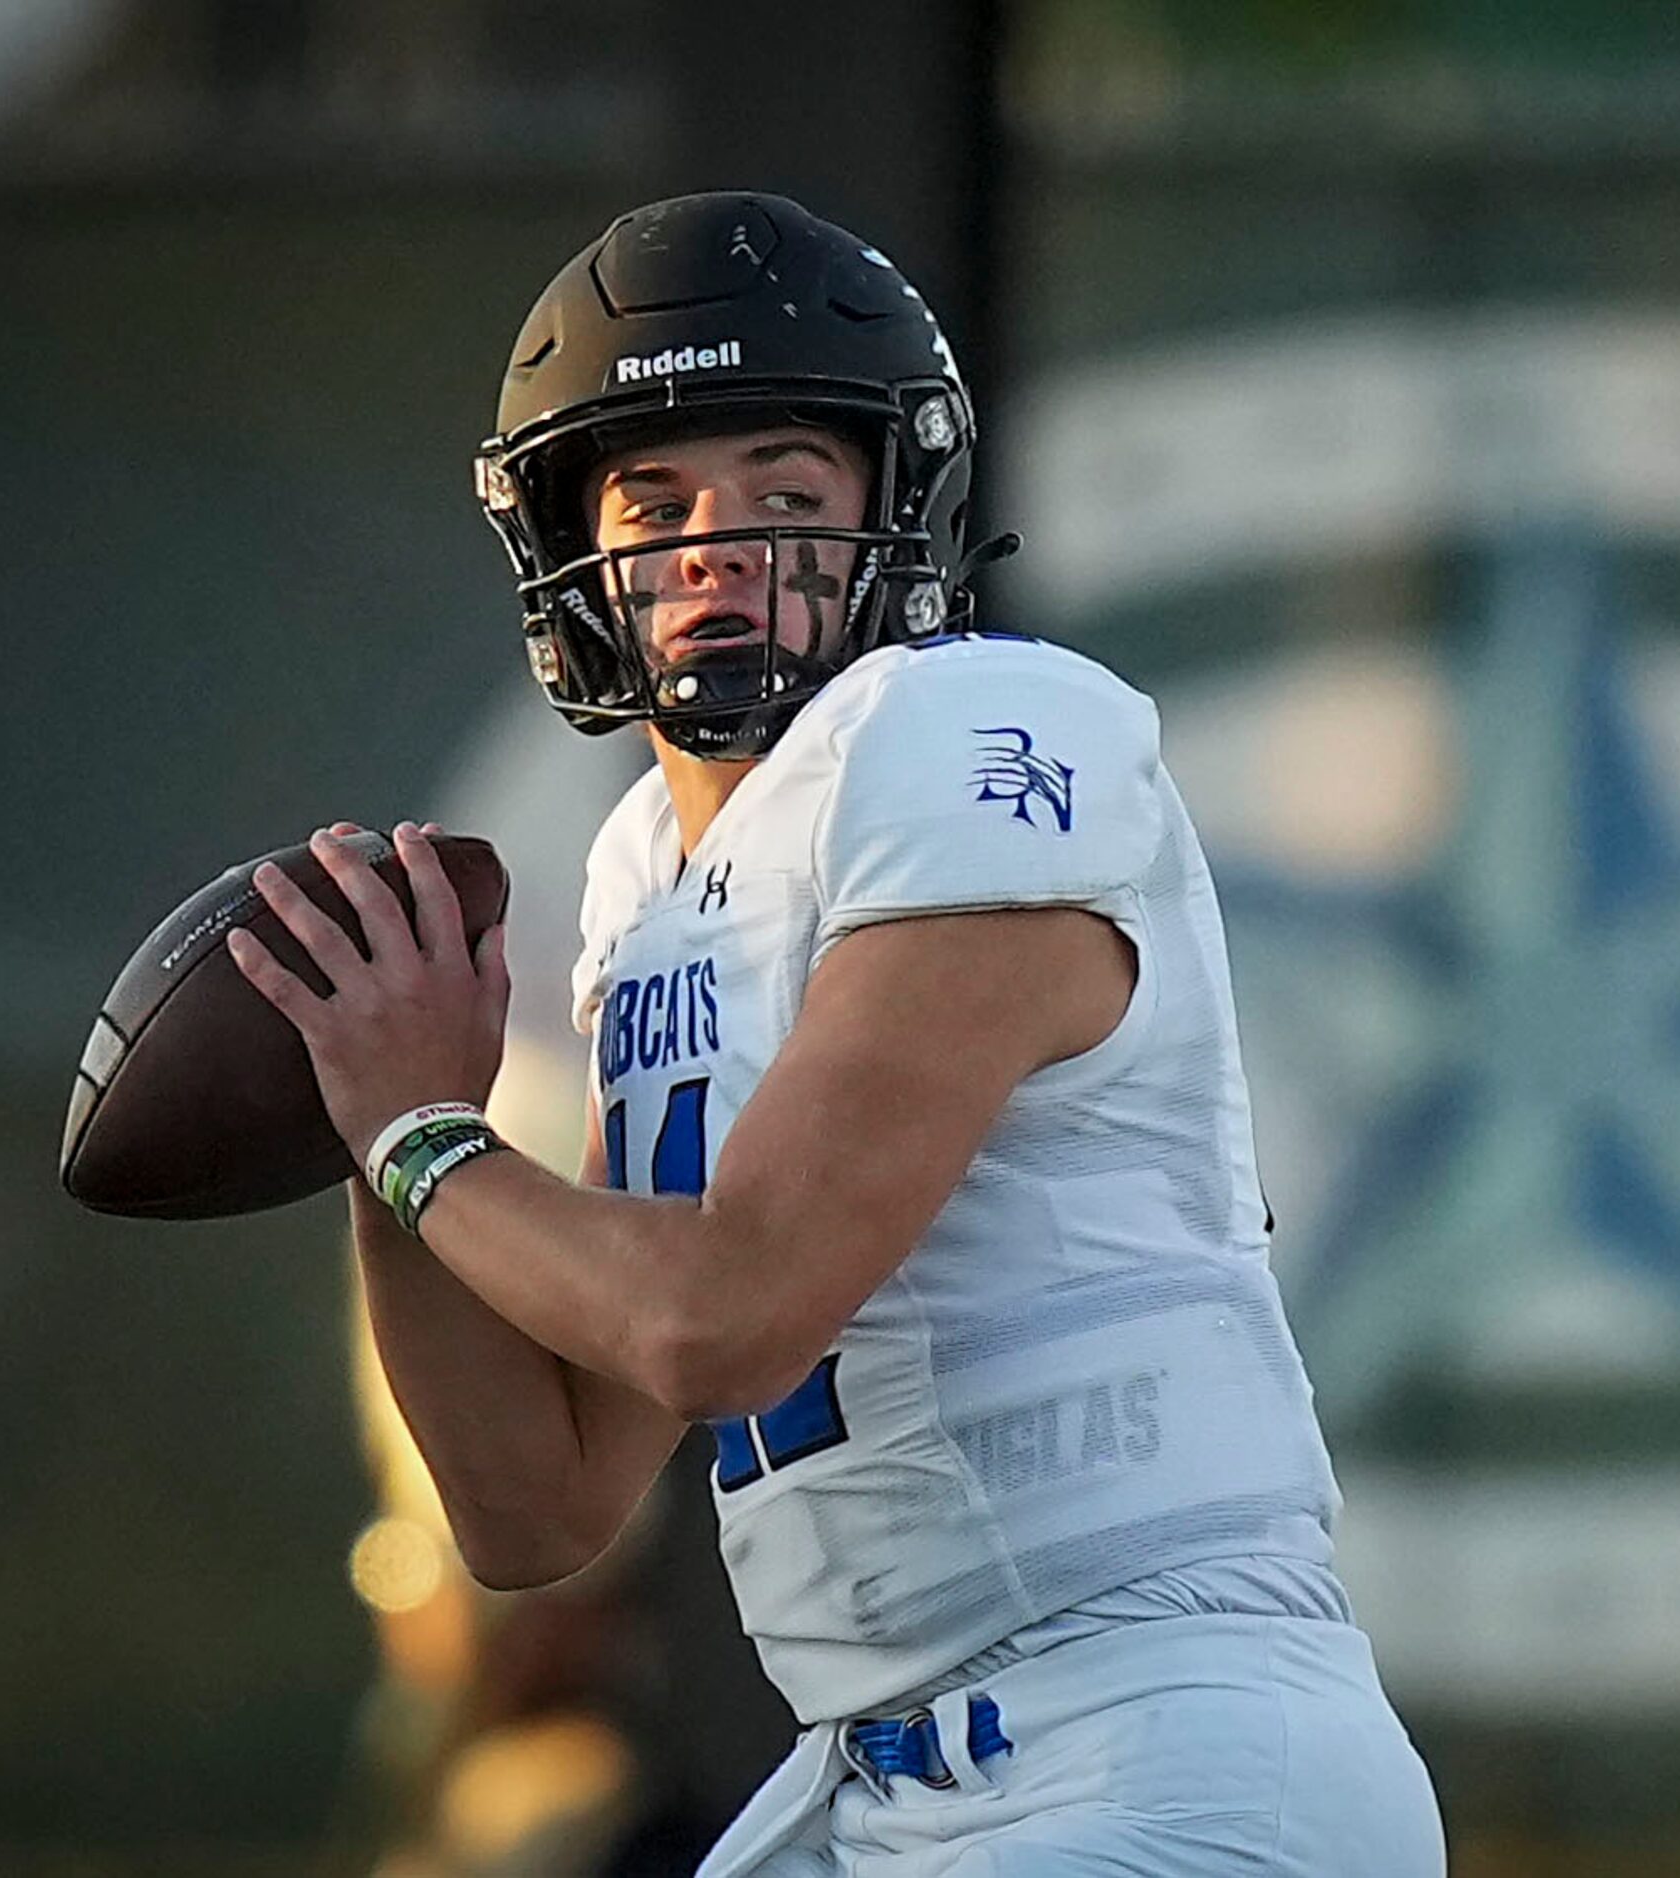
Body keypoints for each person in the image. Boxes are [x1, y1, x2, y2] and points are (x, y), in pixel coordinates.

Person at [231, 190, 1447, 1878]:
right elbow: (539, 1508)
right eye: (655, 500)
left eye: (784, 493)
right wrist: (385, 1142)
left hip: (1157, 1742)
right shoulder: (652, 874)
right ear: (576, 557)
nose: (715, 543)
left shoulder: (975, 727)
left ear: (900, 510)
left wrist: (424, 1145)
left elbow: (725, 1320)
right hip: (888, 1776)